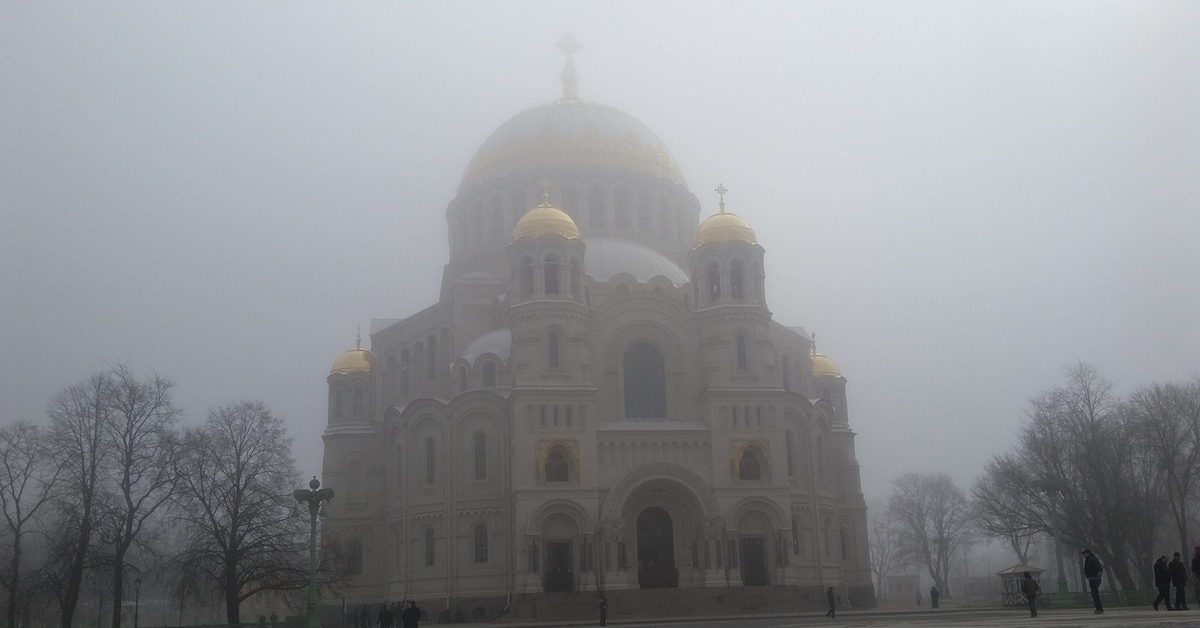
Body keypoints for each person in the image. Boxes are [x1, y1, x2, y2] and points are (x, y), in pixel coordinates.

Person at [1082, 549, 1104, 614]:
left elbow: (1089, 569)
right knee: (1094, 593)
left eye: (1084, 554)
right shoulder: (1094, 558)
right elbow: (1099, 568)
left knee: (1095, 594)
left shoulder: (1089, 559)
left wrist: (1089, 575)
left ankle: (1099, 608)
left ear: (1087, 553)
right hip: (1096, 578)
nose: (1084, 555)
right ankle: (1099, 608)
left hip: (1093, 578)